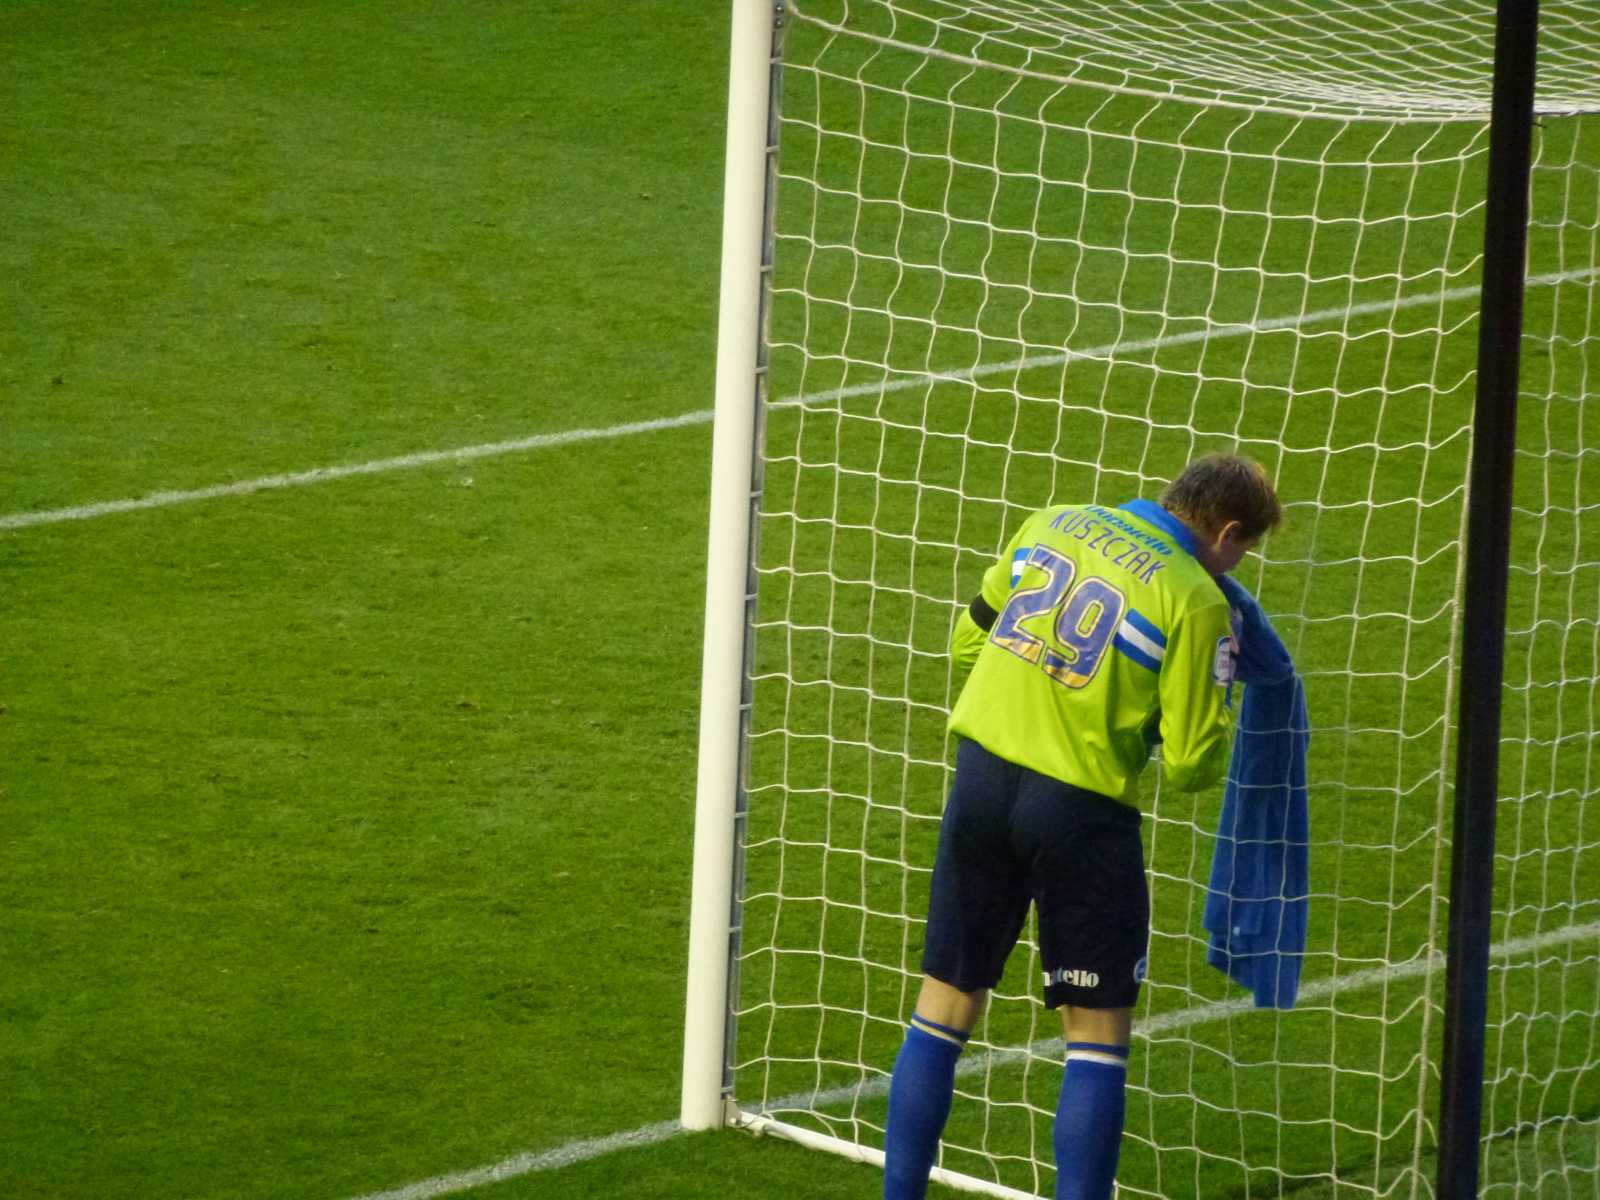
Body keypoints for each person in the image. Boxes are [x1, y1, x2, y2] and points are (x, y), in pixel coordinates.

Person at [881, 453, 1283, 1200]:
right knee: (1095, 1039)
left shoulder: (1053, 522)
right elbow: (1194, 765)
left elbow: (968, 642)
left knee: (942, 1007)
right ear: (1227, 532)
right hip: (1081, 816)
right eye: (1246, 550)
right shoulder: (1197, 600)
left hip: (980, 783)